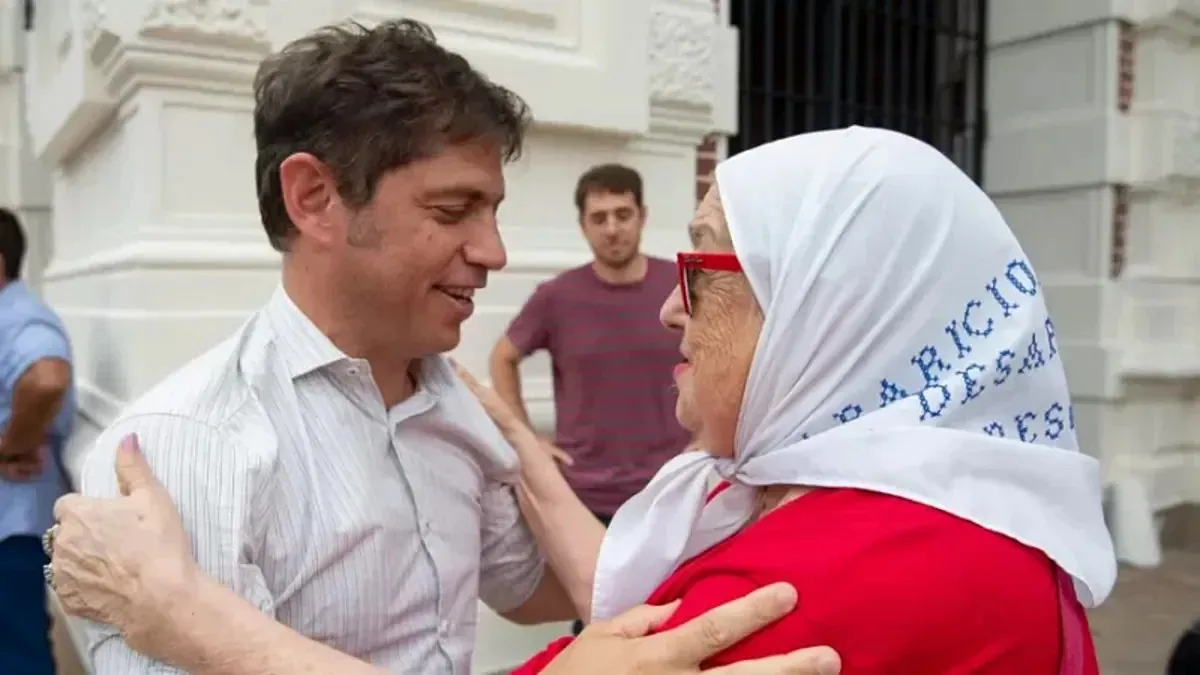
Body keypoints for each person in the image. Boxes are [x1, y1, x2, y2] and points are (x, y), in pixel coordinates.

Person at [463, 127, 1118, 672]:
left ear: (819, 312)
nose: (670, 309)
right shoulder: (968, 500)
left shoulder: (787, 593)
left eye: (701, 271)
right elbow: (616, 577)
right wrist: (521, 442)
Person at [67, 19, 576, 674]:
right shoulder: (187, 447)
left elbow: (525, 584)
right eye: (453, 210)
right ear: (314, 198)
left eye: (492, 212)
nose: (494, 252)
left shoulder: (457, 407)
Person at [489, 164, 691, 634]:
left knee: (676, 622)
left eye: (623, 213)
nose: (612, 228)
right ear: (583, 226)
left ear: (643, 215)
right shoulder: (557, 297)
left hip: (672, 491)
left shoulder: (679, 289)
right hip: (589, 498)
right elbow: (503, 357)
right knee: (602, 629)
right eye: (599, 218)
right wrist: (528, 439)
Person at [0, 208, 75, 675]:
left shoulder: (19, 320)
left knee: (17, 654)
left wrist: (9, 446)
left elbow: (47, 379)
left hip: (12, 529)